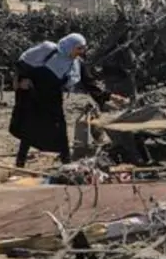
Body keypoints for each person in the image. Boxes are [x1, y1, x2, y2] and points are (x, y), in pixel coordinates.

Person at [10, 33, 117, 168]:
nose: (81, 52)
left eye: (83, 49)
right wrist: (20, 80)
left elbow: (89, 84)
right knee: (29, 128)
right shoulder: (48, 49)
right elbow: (22, 62)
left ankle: (66, 161)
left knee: (60, 129)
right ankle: (20, 162)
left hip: (52, 98)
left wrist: (108, 97)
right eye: (79, 49)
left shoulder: (77, 64)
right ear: (69, 46)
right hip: (32, 95)